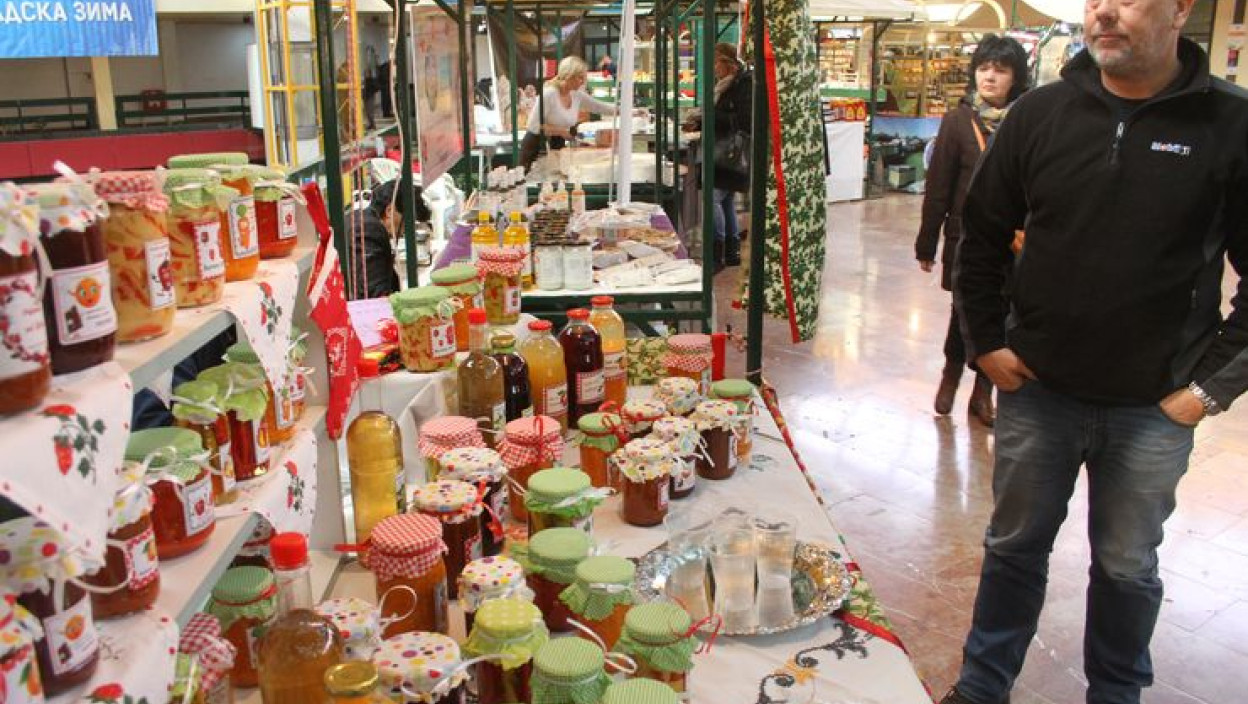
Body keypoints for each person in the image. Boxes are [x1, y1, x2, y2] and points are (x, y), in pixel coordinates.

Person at [944, 0, 1248, 700]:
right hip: (1037, 391)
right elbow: (981, 235)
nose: (1105, 11)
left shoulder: (1230, 123)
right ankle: (983, 686)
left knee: (1126, 568)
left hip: (1153, 407)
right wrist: (984, 344)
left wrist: (1208, 390)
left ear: (1180, 9)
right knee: (1013, 549)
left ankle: (1116, 693)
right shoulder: (1040, 114)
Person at [915, 35, 1030, 428]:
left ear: (1016, 76)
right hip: (966, 238)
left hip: (1013, 241)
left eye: (1000, 70)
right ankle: (950, 375)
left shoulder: (1026, 119)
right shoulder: (957, 121)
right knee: (963, 310)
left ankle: (984, 392)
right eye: (983, 68)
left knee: (1003, 313)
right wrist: (927, 242)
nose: (990, 77)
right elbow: (938, 186)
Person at [687, 42, 755, 270]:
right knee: (725, 200)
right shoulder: (725, 85)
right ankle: (732, 250)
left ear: (728, 63)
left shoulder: (742, 84)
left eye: (716, 63)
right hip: (721, 150)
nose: (714, 68)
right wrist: (700, 121)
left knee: (712, 198)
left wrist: (708, 116)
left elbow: (743, 120)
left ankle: (716, 253)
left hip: (727, 153)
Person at [519, 56, 618, 171]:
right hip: (535, 149)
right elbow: (533, 126)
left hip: (556, 146)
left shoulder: (576, 95)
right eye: (580, 77)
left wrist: (628, 111)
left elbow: (599, 106)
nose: (583, 82)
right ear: (569, 75)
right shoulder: (549, 94)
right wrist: (562, 131)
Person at [346, 178, 432, 300]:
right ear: (390, 211)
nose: (403, 232)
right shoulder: (368, 230)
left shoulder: (360, 219)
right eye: (406, 223)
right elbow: (375, 293)